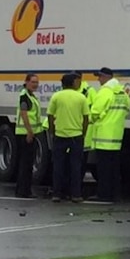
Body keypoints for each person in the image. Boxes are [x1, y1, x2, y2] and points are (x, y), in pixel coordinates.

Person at [89, 67, 130, 203]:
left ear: (106, 77)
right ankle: (115, 194)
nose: (98, 79)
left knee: (103, 169)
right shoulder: (122, 92)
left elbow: (95, 112)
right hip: (116, 136)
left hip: (103, 136)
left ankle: (103, 194)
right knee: (114, 169)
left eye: (100, 77)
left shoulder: (105, 91)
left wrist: (91, 120)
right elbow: (128, 108)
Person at [47, 72, 89, 203]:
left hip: (60, 135)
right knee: (76, 167)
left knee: (58, 166)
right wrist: (83, 133)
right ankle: (76, 194)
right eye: (77, 81)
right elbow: (86, 118)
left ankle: (57, 194)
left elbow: (50, 115)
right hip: (76, 136)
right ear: (72, 82)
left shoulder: (56, 97)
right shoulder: (81, 98)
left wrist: (52, 131)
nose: (79, 83)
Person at [14, 73, 41, 198]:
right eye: (33, 82)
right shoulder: (24, 97)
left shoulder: (30, 96)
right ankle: (24, 191)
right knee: (26, 164)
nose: (35, 84)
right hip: (25, 134)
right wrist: (30, 132)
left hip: (28, 133)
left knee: (27, 163)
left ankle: (23, 189)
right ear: (26, 82)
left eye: (36, 82)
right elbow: (24, 114)